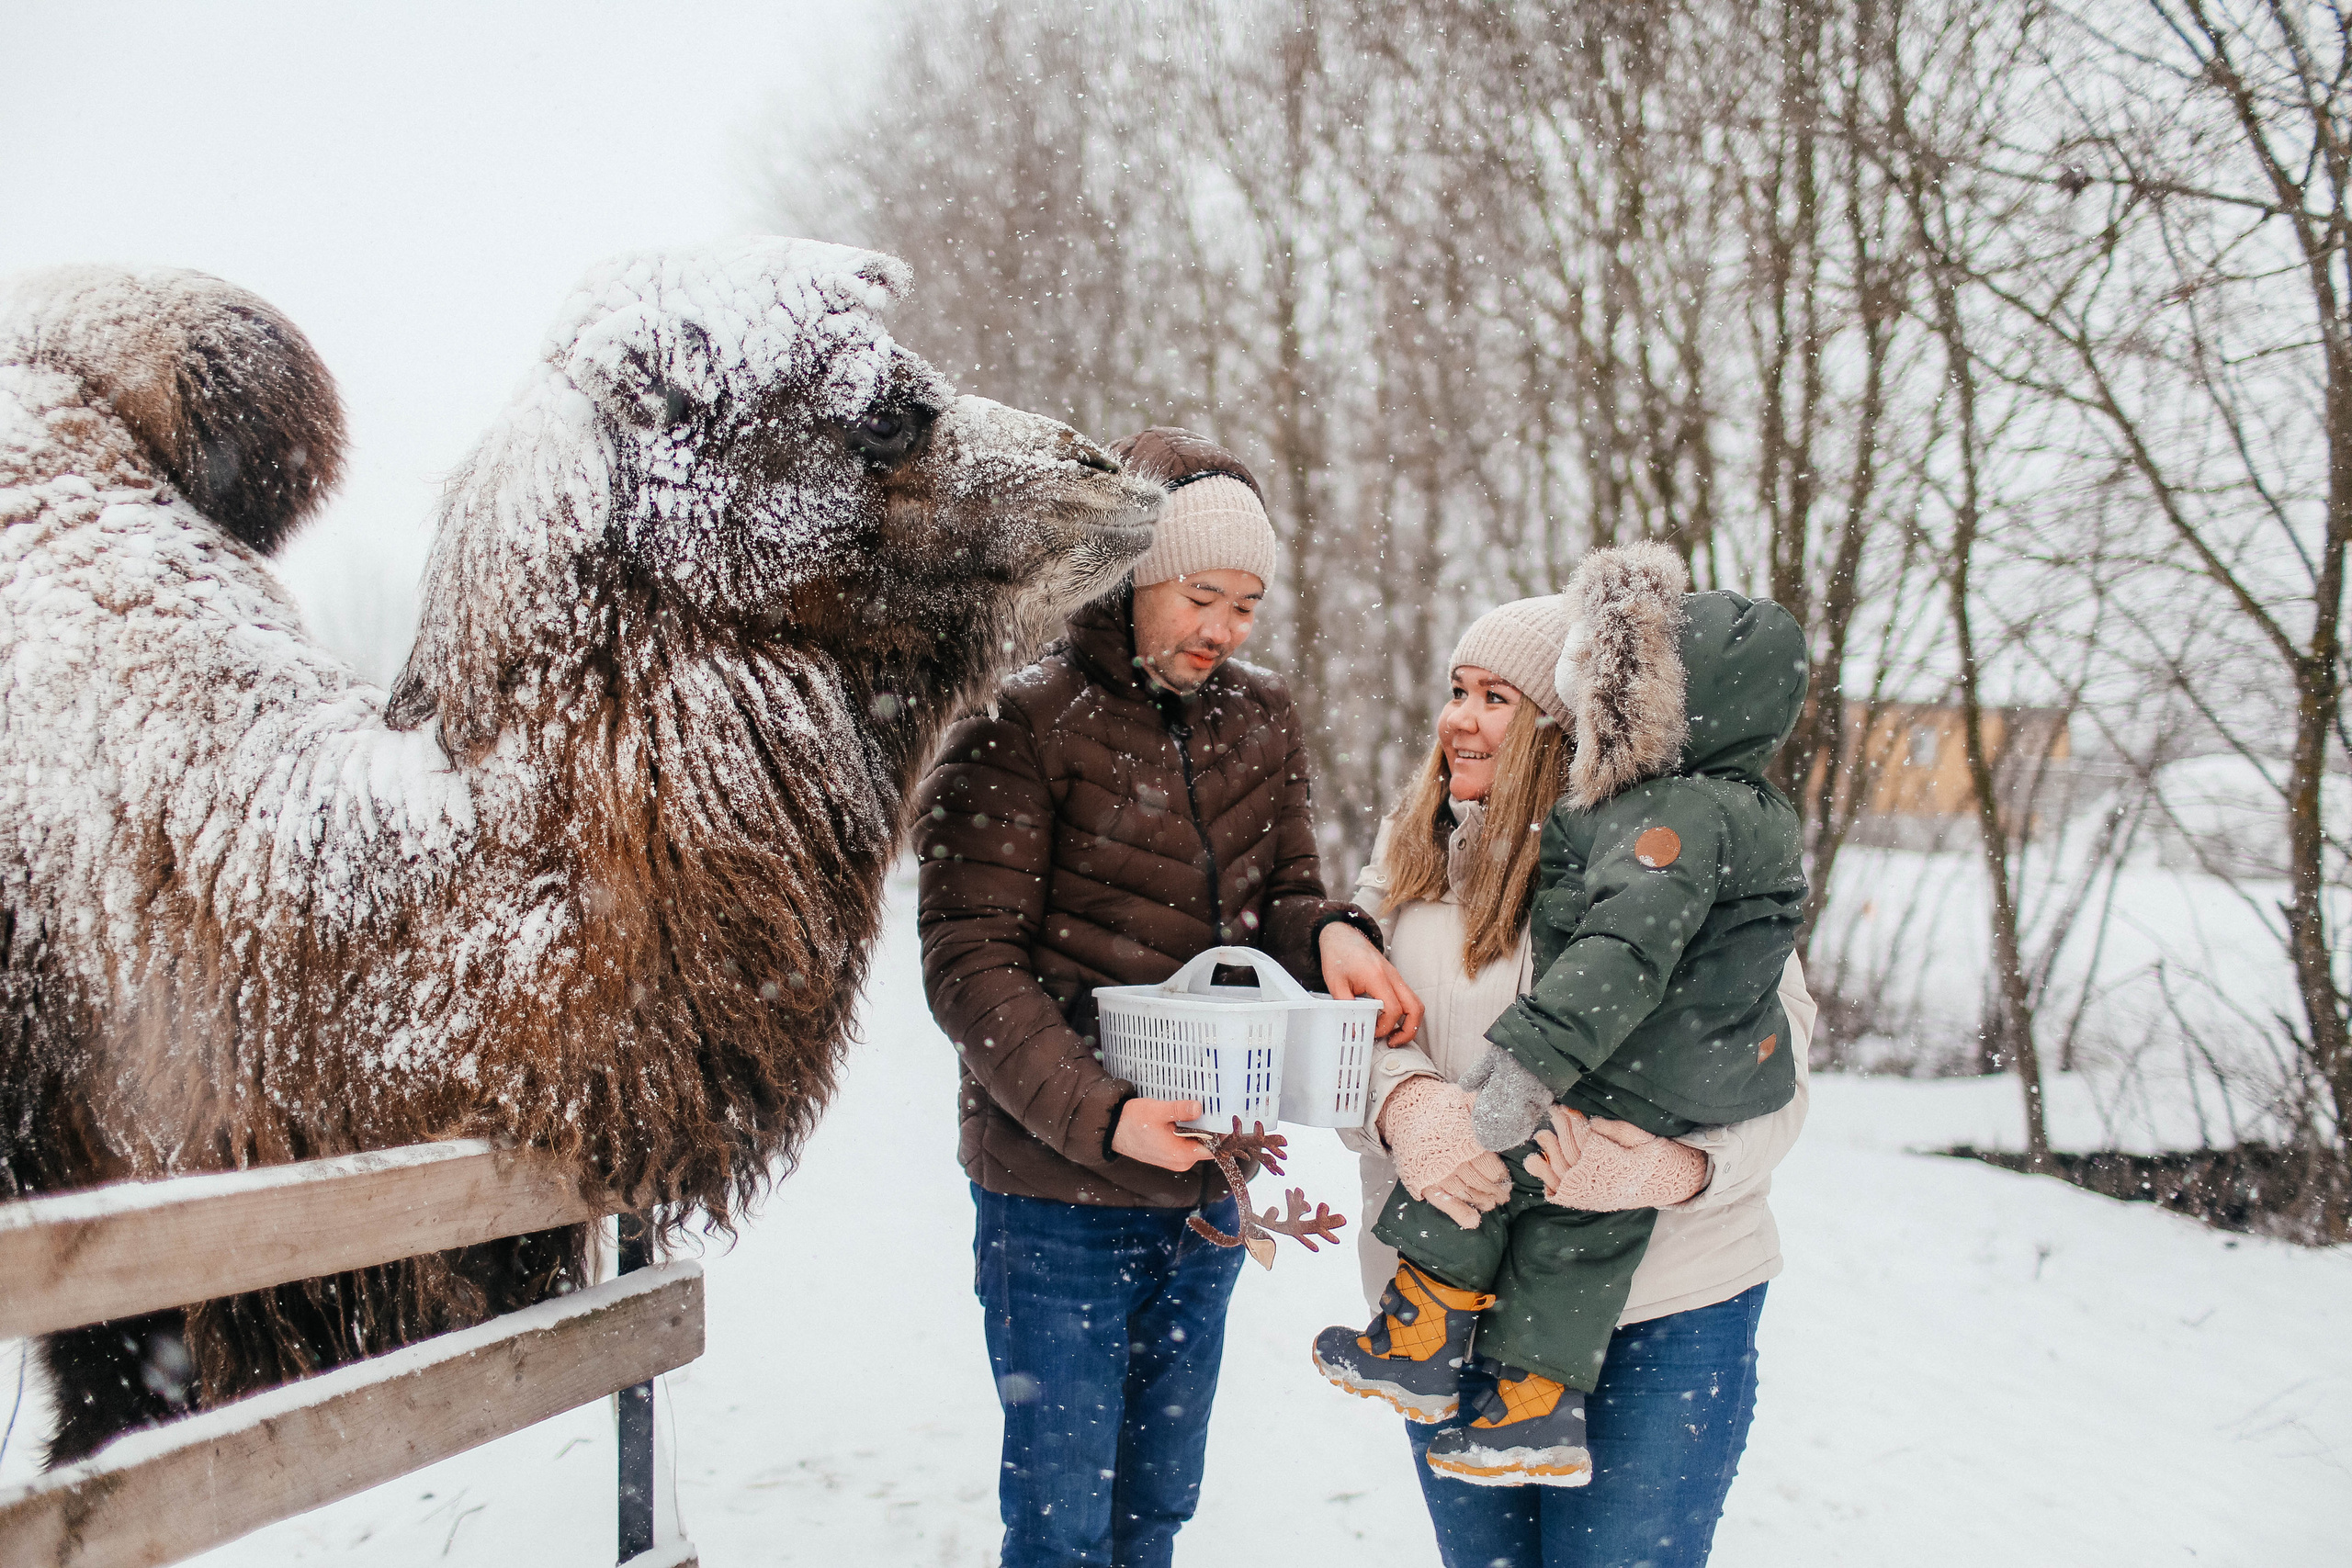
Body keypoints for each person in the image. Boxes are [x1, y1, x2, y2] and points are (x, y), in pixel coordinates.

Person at [914, 426, 1421, 1568]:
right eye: (1201, 598)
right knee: (1062, 1525)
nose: (1224, 630)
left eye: (1246, 606)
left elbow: (1281, 895)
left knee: (1155, 1506)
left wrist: (1331, 934)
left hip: (1208, 1181)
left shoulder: (1262, 718)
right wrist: (1105, 1118)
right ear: (1133, 577)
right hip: (1056, 1195)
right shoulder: (1019, 722)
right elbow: (969, 959)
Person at [1321, 558, 1817, 1565]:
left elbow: (1778, 1077)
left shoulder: (1677, 866)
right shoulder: (1406, 863)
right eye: (1456, 691)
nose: (1458, 720)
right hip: (1445, 1311)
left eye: (1495, 699)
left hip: (1666, 1307)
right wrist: (1404, 1104)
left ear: (1569, 726)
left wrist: (1678, 1168)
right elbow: (1336, 1036)